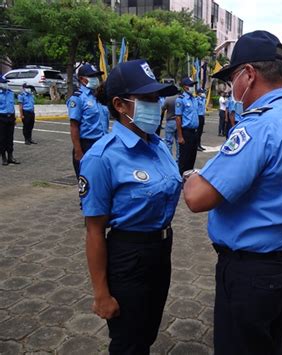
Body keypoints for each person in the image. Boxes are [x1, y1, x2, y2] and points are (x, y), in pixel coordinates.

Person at [183, 30, 282, 355]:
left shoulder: (258, 126)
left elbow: (196, 198)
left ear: (248, 74)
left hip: (251, 272)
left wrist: (193, 177)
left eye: (232, 80)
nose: (232, 89)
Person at [79, 59, 180, 354]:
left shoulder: (157, 144)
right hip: (128, 256)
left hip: (161, 249)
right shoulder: (101, 158)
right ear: (120, 105)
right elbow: (94, 231)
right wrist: (101, 293)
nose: (157, 104)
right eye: (148, 98)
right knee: (127, 342)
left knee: (147, 331)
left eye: (157, 97)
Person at [67, 63, 109, 179]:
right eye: (92, 76)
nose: (96, 79)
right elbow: (74, 126)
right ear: (82, 79)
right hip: (87, 145)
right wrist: (78, 151)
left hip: (102, 143)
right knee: (88, 183)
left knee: (102, 181)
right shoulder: (78, 98)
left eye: (96, 76)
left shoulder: (99, 96)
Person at [176, 77, 199, 175]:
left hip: (194, 132)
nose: (192, 87)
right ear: (185, 87)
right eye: (190, 85)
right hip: (186, 132)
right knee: (184, 159)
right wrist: (180, 136)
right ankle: (180, 180)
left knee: (192, 157)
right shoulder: (181, 99)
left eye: (193, 85)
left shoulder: (194, 99)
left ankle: (188, 181)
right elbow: (178, 118)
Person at [0, 76, 20, 166]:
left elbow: (12, 107)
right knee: (2, 138)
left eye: (6, 82)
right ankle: (3, 157)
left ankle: (10, 157)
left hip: (10, 118)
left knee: (10, 138)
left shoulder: (10, 93)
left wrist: (14, 118)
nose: (6, 84)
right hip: (1, 118)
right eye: (4, 82)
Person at [161, 94, 180, 160]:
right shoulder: (180, 98)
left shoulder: (168, 99)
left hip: (170, 121)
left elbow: (163, 108)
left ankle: (169, 159)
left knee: (168, 142)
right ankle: (178, 160)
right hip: (179, 122)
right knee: (178, 142)